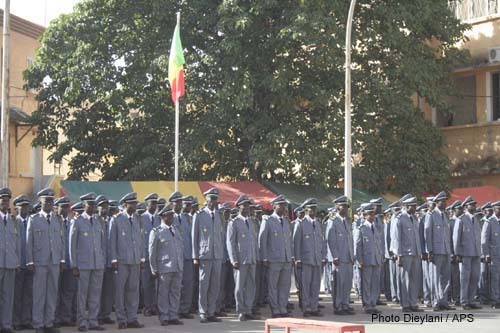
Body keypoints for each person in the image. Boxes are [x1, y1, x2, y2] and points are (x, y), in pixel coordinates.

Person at [26, 188, 66, 333]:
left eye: (51, 200)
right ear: (40, 202)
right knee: (39, 294)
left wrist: (62, 259)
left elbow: (61, 241)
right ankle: (38, 324)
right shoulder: (34, 219)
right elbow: (28, 242)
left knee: (52, 293)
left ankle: (49, 323)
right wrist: (30, 261)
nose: (49, 203)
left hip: (54, 261)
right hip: (39, 262)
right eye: (46, 201)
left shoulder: (57, 219)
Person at [69, 193, 106, 331]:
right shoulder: (77, 222)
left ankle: (93, 320)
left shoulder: (97, 221)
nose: (93, 206)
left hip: (97, 263)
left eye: (94, 204)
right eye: (90, 204)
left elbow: (102, 244)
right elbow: (72, 245)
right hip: (83, 265)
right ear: (84, 205)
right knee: (82, 295)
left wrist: (102, 261)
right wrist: (74, 265)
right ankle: (82, 321)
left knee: (95, 294)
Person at [109, 192, 145, 329]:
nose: (135, 205)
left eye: (135, 203)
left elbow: (140, 241)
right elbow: (112, 241)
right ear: (125, 205)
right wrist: (113, 259)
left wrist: (142, 258)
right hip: (122, 261)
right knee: (120, 291)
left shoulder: (137, 219)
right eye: (132, 203)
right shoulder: (117, 219)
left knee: (133, 290)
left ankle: (132, 318)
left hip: (135, 260)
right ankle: (121, 319)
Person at [192, 188, 224, 323]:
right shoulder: (199, 215)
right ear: (206, 199)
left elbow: (221, 236)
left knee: (215, 285)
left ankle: (211, 311)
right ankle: (203, 312)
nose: (213, 202)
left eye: (215, 200)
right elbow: (194, 236)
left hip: (217, 255)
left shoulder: (219, 215)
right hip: (204, 255)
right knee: (204, 285)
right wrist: (195, 256)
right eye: (211, 199)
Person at [149, 203, 184, 326]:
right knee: (163, 293)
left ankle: (173, 315)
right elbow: (152, 252)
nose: (172, 217)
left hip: (177, 266)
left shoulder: (175, 229)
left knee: (175, 292)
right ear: (163, 217)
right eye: (169, 216)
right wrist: (154, 268)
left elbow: (180, 247)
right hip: (164, 267)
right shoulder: (156, 232)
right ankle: (164, 316)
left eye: (172, 215)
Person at [259, 195, 293, 318]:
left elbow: (289, 241)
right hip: (273, 259)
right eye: (281, 205)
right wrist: (265, 257)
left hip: (286, 258)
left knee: (284, 285)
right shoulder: (268, 221)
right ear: (274, 206)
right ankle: (275, 308)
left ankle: (282, 307)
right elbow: (262, 240)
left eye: (284, 205)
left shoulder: (286, 221)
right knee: (273, 286)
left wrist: (291, 256)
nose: (283, 207)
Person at [227, 195, 258, 321]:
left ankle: (248, 309)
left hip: (251, 258)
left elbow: (254, 242)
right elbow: (230, 243)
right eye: (244, 205)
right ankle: (240, 310)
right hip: (240, 259)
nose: (246, 207)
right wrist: (233, 259)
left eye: (248, 205)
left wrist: (256, 257)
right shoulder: (234, 223)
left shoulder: (251, 221)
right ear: (238, 206)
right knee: (240, 286)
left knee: (251, 285)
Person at [424, 191, 455, 311]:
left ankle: (444, 301)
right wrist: (429, 251)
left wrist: (450, 250)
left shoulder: (445, 215)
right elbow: (428, 234)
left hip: (446, 250)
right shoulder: (431, 215)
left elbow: (448, 235)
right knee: (435, 278)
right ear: (437, 203)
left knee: (446, 277)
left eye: (445, 201)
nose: (445, 203)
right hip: (436, 251)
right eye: (442, 201)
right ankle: (435, 302)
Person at [294, 198, 324, 317]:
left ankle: (314, 307)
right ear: (306, 209)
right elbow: (296, 243)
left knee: (315, 285)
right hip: (305, 259)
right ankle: (306, 308)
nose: (314, 211)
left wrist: (322, 257)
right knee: (306, 285)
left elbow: (321, 242)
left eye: (315, 208)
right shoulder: (301, 224)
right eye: (312, 208)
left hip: (316, 259)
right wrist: (298, 259)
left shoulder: (317, 224)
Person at [394, 196, 423, 313]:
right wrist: (399, 255)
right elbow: (397, 238)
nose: (415, 208)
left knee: (414, 280)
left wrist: (419, 252)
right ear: (406, 206)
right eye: (413, 206)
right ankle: (405, 304)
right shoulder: (400, 218)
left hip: (415, 253)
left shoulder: (414, 218)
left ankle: (413, 303)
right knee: (405, 279)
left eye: (415, 205)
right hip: (405, 254)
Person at [326, 195, 354, 315]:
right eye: (344, 206)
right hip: (339, 259)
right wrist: (335, 257)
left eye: (347, 207)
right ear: (337, 207)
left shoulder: (346, 222)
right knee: (339, 284)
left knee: (347, 284)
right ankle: (338, 306)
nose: (346, 209)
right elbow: (330, 241)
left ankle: (345, 304)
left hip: (348, 258)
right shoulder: (333, 222)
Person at [453, 196, 482, 310]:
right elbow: (456, 238)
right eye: (471, 205)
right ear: (466, 207)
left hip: (476, 253)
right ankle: (464, 301)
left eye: (474, 204)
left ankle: (472, 300)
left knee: (475, 277)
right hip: (465, 254)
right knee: (465, 278)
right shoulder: (461, 219)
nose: (474, 206)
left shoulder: (476, 219)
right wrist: (457, 254)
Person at [354, 203, 383, 314]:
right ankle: (367, 304)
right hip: (366, 260)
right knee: (366, 283)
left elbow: (378, 245)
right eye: (370, 214)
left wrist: (380, 258)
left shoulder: (375, 228)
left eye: (373, 214)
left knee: (375, 283)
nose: (372, 216)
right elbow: (358, 246)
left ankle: (373, 303)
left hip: (375, 259)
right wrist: (359, 260)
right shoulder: (361, 228)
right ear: (365, 215)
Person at [54, 196, 77, 328]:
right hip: (56, 263)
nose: (65, 209)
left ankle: (65, 317)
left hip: (69, 263)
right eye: (62, 207)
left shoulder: (70, 222)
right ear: (56, 208)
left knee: (68, 291)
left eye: (66, 207)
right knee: (55, 292)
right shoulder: (53, 222)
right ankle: (55, 317)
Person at [12, 194, 33, 331]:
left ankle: (26, 320)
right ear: (16, 208)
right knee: (16, 295)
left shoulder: (32, 221)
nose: (25, 209)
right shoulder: (14, 222)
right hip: (18, 264)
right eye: (22, 206)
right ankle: (16, 321)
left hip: (30, 265)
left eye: (26, 206)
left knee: (28, 295)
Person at [0, 188, 20, 333]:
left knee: (8, 296)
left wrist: (17, 261)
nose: (5, 202)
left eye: (7, 200)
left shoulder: (13, 220)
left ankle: (6, 325)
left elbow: (17, 243)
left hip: (10, 263)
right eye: (2, 200)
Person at [173, 194, 195, 319]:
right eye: (178, 202)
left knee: (188, 284)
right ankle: (174, 310)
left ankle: (184, 309)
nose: (180, 205)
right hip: (175, 257)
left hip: (187, 256)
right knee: (176, 286)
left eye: (181, 202)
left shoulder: (187, 218)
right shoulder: (169, 217)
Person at [97, 195, 116, 325]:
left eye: (106, 206)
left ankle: (105, 314)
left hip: (110, 262)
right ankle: (97, 315)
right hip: (98, 262)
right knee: (97, 291)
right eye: (102, 206)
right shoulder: (94, 221)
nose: (105, 208)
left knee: (109, 291)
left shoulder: (112, 221)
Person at [141, 193, 160, 317]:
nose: (154, 205)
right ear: (146, 204)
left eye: (155, 203)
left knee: (158, 284)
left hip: (158, 257)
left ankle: (156, 306)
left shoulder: (159, 218)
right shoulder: (141, 218)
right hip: (145, 256)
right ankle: (148, 307)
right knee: (146, 283)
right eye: (152, 202)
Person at [481, 201, 500, 308]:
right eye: (499, 209)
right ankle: (495, 300)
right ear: (494, 210)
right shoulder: (489, 222)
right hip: (494, 255)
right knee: (495, 278)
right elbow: (484, 240)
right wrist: (486, 254)